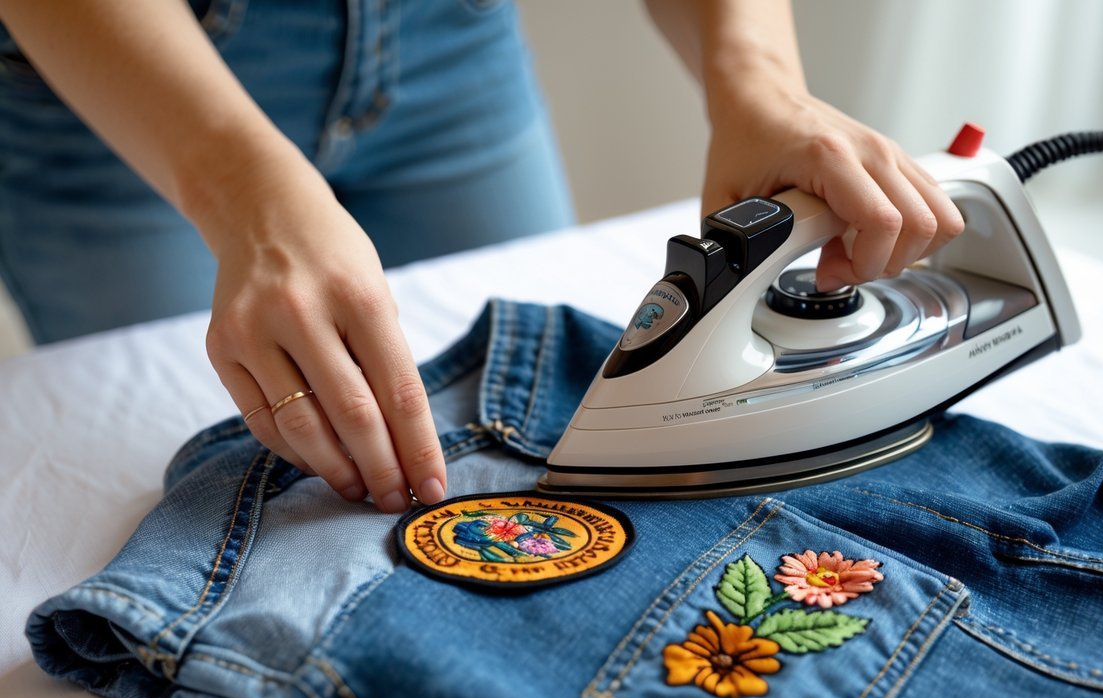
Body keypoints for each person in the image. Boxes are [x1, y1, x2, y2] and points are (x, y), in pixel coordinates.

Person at [0, 0, 963, 514]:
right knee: (210, 429)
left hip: (449, 40)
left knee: (521, 377)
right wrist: (238, 190)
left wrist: (759, 80)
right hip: (122, 68)